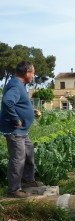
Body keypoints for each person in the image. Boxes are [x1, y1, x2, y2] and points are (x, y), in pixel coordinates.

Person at [0, 61, 43, 198]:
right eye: (33, 73)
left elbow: (17, 103)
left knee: (29, 155)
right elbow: (7, 101)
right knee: (18, 159)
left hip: (22, 132)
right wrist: (15, 119)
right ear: (27, 73)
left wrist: (31, 110)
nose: (33, 76)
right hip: (15, 131)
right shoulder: (16, 85)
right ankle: (13, 190)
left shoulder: (19, 85)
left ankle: (27, 181)